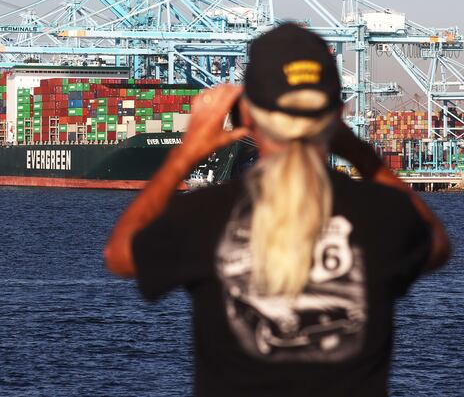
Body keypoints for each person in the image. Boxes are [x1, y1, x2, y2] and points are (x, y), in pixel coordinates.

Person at [103, 23, 450, 397]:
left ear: (247, 114)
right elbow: (437, 245)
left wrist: (185, 153)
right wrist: (359, 151)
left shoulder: (204, 214)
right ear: (338, 112)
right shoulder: (382, 214)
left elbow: (120, 255)